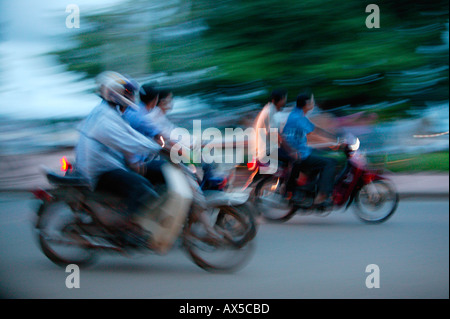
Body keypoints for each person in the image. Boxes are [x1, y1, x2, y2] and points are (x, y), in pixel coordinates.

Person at [75, 71, 162, 232]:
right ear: (113, 92)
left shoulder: (111, 112)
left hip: (109, 165)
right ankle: (125, 226)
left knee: (146, 178)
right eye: (126, 92)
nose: (130, 96)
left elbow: (130, 134)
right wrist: (157, 147)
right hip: (101, 170)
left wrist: (153, 148)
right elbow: (127, 142)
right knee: (142, 189)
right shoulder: (104, 117)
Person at [282, 93, 338, 207]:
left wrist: (334, 138)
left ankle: (310, 187)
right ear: (307, 104)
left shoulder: (297, 115)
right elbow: (313, 133)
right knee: (330, 163)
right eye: (312, 102)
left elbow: (315, 129)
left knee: (322, 156)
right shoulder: (298, 118)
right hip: (299, 154)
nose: (313, 104)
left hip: (301, 151)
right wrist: (333, 142)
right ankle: (322, 194)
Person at [253, 89, 298, 174]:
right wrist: (290, 150)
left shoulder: (269, 110)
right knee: (296, 159)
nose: (284, 101)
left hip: (266, 149)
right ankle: (288, 185)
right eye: (283, 99)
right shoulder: (270, 112)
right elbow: (276, 135)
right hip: (268, 151)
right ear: (278, 100)